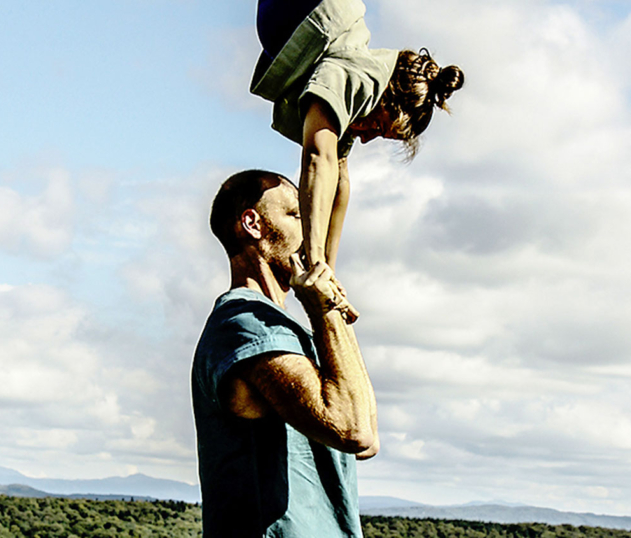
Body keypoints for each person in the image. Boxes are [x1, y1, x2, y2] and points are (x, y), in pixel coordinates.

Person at [192, 169, 378, 537]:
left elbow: (369, 437)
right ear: (253, 223)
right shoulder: (246, 322)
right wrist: (323, 310)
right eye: (295, 215)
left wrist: (333, 309)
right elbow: (352, 430)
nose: (310, 232)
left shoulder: (289, 329)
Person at [251, 0, 465, 315]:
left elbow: (339, 179)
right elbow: (317, 159)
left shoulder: (356, 100)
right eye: (378, 127)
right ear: (387, 93)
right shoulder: (358, 77)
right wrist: (315, 259)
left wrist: (328, 273)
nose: (365, 136)